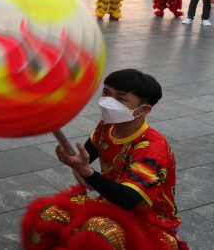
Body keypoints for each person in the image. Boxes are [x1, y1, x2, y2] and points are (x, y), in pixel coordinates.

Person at [21, 69, 187, 250]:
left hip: (148, 220)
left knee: (98, 234)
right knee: (47, 216)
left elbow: (129, 199)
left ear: (144, 109)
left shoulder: (152, 148)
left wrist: (86, 172)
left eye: (120, 98)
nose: (109, 102)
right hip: (108, 203)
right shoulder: (107, 126)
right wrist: (72, 159)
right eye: (106, 93)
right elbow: (85, 157)